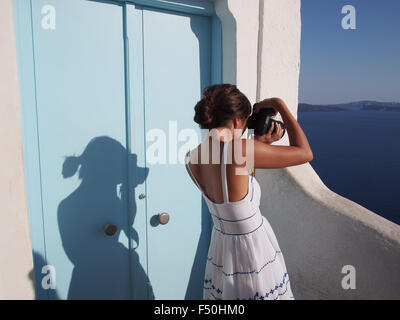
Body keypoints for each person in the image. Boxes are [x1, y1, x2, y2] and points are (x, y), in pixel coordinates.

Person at [184, 83, 313, 300]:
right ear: (236, 121)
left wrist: (260, 144)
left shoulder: (191, 158)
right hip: (251, 250)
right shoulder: (240, 150)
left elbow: (233, 192)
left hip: (222, 248)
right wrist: (279, 104)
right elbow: (304, 152)